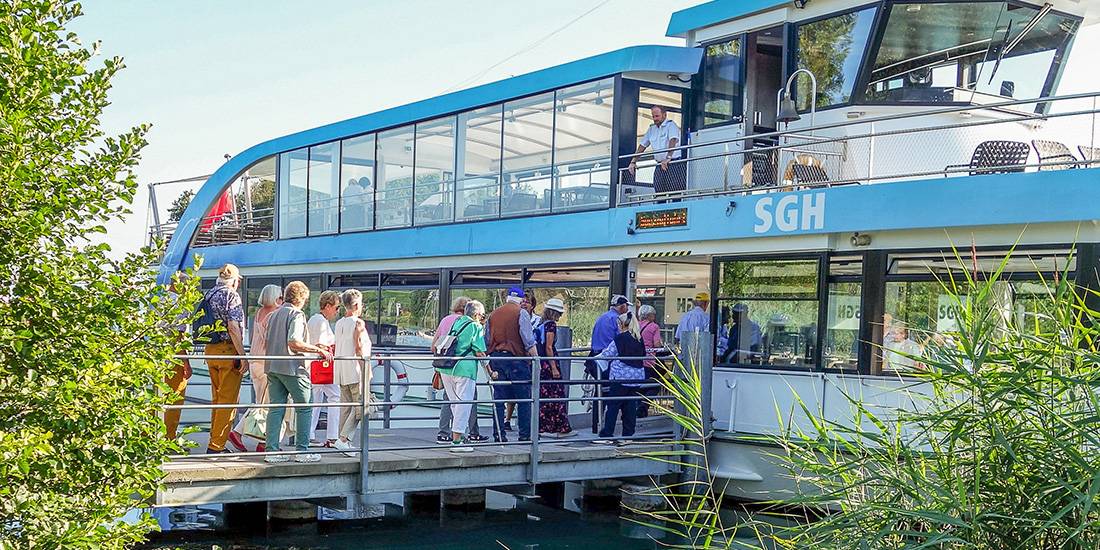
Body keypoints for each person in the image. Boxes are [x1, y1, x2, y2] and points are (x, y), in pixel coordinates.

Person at [264, 281, 332, 464]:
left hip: (272, 367)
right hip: (293, 368)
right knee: (305, 407)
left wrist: (312, 346)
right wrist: (319, 351)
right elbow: (294, 341)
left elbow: (267, 340)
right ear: (301, 298)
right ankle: (302, 450)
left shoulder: (274, 314)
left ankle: (271, 450)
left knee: (276, 408)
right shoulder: (297, 314)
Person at [196, 263, 247, 454]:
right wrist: (242, 356)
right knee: (228, 400)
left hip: (211, 350)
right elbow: (233, 327)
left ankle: (215, 441)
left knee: (217, 399)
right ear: (234, 280)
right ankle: (216, 446)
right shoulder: (231, 295)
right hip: (227, 351)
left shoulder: (209, 294)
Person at [228, 284, 283, 452]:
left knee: (261, 402)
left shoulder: (258, 313)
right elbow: (270, 340)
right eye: (280, 297)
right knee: (268, 404)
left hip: (254, 362)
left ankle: (260, 440)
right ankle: (243, 435)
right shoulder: (274, 314)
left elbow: (254, 337)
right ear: (275, 298)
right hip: (266, 363)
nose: (282, 300)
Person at [435, 300, 494, 452]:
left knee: (455, 403)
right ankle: (457, 442)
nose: (483, 319)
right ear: (476, 315)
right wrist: (490, 371)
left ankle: (458, 437)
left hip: (447, 368)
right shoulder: (475, 327)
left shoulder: (458, 321)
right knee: (464, 403)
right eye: (482, 316)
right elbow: (480, 351)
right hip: (464, 369)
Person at [485, 286, 538, 442]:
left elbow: (487, 339)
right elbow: (528, 340)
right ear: (521, 300)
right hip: (516, 360)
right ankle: (524, 435)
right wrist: (536, 361)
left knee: (499, 399)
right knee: (524, 399)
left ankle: (499, 435)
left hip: (497, 359)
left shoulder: (493, 314)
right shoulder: (521, 313)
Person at [593, 311, 647, 445]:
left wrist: (596, 358)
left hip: (621, 377)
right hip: (636, 377)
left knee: (613, 406)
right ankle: (628, 435)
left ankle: (607, 435)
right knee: (630, 407)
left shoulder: (620, 338)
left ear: (622, 324)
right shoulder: (639, 338)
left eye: (618, 324)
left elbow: (608, 353)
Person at [333, 289, 372, 455]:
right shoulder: (358, 323)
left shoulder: (339, 323)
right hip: (355, 369)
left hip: (341, 370)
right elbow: (359, 348)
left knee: (346, 407)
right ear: (356, 304)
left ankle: (342, 441)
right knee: (361, 407)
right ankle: (343, 439)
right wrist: (365, 369)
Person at [587, 294, 631, 433]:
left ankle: (597, 424)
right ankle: (606, 427)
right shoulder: (616, 320)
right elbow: (620, 341)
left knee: (599, 392)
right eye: (627, 307)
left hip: (596, 357)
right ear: (622, 306)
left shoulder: (602, 317)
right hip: (608, 360)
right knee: (612, 394)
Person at [627, 105, 685, 195]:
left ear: (664, 115)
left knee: (675, 192)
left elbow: (672, 140)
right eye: (653, 116)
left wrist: (668, 157)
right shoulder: (651, 129)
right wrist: (633, 162)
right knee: (659, 191)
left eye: (657, 116)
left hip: (673, 163)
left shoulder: (671, 125)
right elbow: (642, 145)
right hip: (659, 164)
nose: (655, 119)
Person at [536, 298, 574, 437]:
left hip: (541, 363)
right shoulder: (551, 325)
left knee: (544, 394)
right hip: (549, 363)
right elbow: (549, 346)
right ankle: (558, 425)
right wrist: (554, 367)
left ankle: (544, 424)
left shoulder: (541, 324)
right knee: (555, 393)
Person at [308, 290, 341, 447]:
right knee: (335, 396)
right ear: (327, 306)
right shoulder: (321, 322)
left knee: (316, 399)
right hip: (322, 365)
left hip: (312, 365)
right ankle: (333, 436)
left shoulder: (313, 319)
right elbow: (321, 344)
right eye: (336, 307)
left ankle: (309, 433)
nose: (337, 311)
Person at [164, 279, 192, 440]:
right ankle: (169, 438)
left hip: (157, 358)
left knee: (158, 398)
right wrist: (186, 362)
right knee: (175, 399)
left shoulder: (160, 300)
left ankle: (148, 436)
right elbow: (178, 335)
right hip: (173, 360)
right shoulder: (179, 304)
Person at [636, 304, 664, 419]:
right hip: (649, 361)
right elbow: (657, 345)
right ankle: (643, 406)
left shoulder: (636, 325)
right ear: (650, 315)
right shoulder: (654, 327)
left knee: (640, 386)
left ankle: (639, 408)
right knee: (656, 384)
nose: (654, 317)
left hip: (637, 361)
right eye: (653, 315)